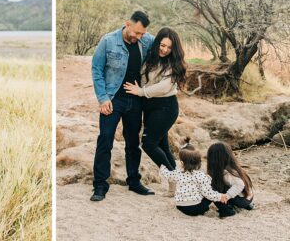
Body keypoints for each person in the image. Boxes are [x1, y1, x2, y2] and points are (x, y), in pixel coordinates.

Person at [90, 11, 155, 202]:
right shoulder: (108, 41)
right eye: (136, 33)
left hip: (135, 100)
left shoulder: (146, 40)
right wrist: (102, 98)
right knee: (106, 139)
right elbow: (96, 69)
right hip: (112, 98)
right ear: (127, 24)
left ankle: (134, 181)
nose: (139, 37)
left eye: (142, 34)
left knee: (133, 142)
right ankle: (100, 185)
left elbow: (165, 45)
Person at [123, 27, 186, 172]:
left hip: (165, 107)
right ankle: (178, 180)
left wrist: (140, 91)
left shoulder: (173, 64)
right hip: (149, 107)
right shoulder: (150, 55)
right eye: (162, 45)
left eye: (169, 47)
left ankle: (172, 179)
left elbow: (163, 87)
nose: (164, 50)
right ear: (157, 43)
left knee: (148, 144)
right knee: (163, 146)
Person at [160, 140, 230, 216]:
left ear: (182, 163)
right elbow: (208, 193)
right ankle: (225, 211)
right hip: (196, 208)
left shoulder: (177, 173)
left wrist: (162, 167)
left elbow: (167, 175)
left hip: (180, 206)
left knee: (204, 191)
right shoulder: (201, 176)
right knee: (212, 190)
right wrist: (220, 196)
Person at [207, 142, 254, 212]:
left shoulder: (228, 172)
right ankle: (246, 205)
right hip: (247, 198)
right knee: (218, 185)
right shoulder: (231, 167)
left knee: (214, 187)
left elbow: (239, 184)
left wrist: (226, 197)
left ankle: (226, 209)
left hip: (242, 200)